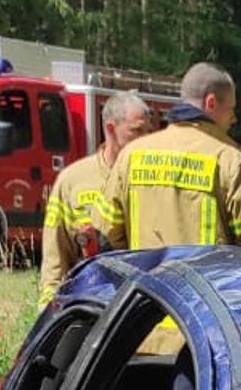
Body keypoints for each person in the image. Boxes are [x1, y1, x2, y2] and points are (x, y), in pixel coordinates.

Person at [102, 62, 241, 252]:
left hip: (145, 281)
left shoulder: (131, 155)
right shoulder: (230, 160)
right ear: (211, 103)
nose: (234, 118)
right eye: (231, 109)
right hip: (207, 281)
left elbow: (107, 235)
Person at [38, 93, 162, 306]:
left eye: (148, 132)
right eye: (136, 131)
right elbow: (54, 258)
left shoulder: (157, 178)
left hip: (142, 305)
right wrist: (50, 310)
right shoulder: (72, 181)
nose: (145, 140)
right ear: (111, 129)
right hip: (89, 303)